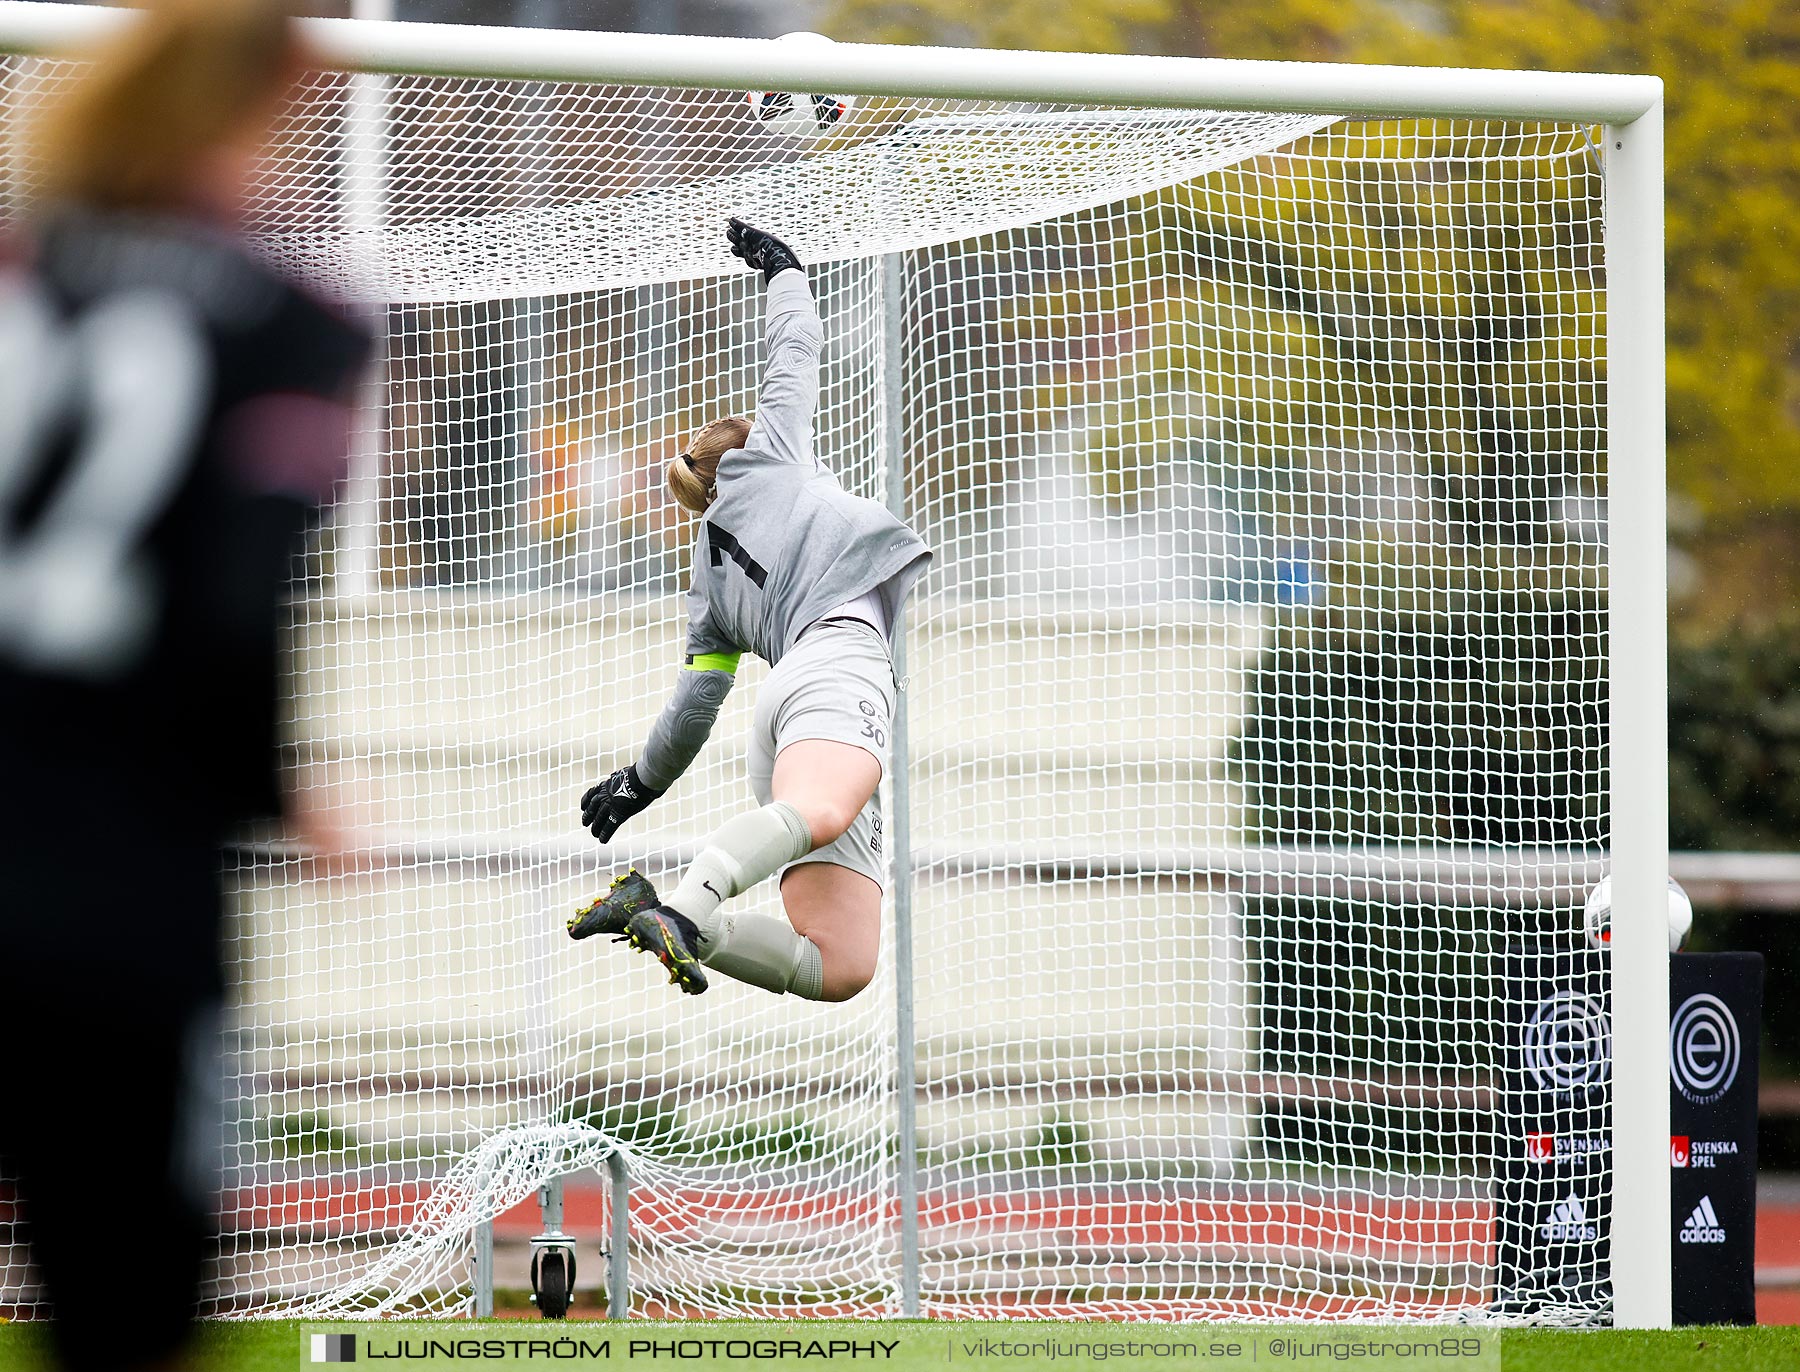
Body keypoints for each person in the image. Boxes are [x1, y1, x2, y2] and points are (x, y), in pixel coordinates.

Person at [0, 3, 369, 1368]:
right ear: (265, 101)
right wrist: (285, 790)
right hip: (120, 889)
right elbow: (232, 603)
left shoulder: (19, 271)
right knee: (127, 1314)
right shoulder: (294, 319)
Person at [567, 219, 929, 1002]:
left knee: (840, 963)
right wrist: (783, 270)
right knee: (825, 808)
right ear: (750, 445)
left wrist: (641, 781)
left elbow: (698, 704)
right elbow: (795, 350)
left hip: (787, 708)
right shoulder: (773, 454)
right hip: (838, 663)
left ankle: (655, 911)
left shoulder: (705, 579)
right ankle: (690, 909)